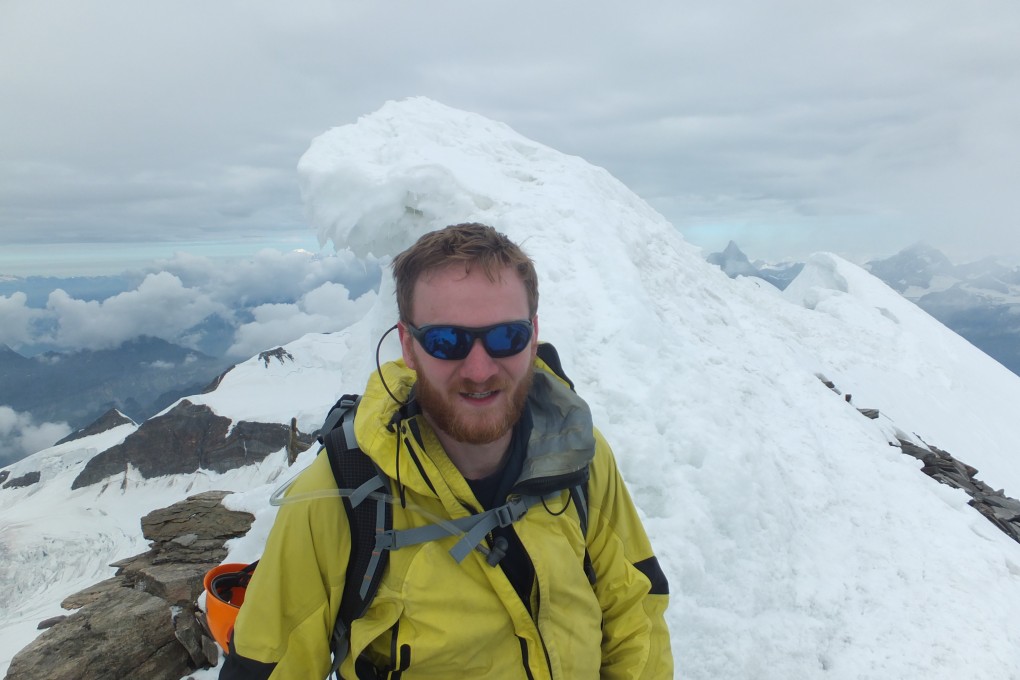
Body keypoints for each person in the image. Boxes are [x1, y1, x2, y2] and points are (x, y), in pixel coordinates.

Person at [220, 223, 673, 679]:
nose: (479, 369)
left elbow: (636, 609)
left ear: (533, 337)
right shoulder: (340, 494)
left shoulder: (580, 454)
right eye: (446, 341)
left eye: (506, 338)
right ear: (408, 346)